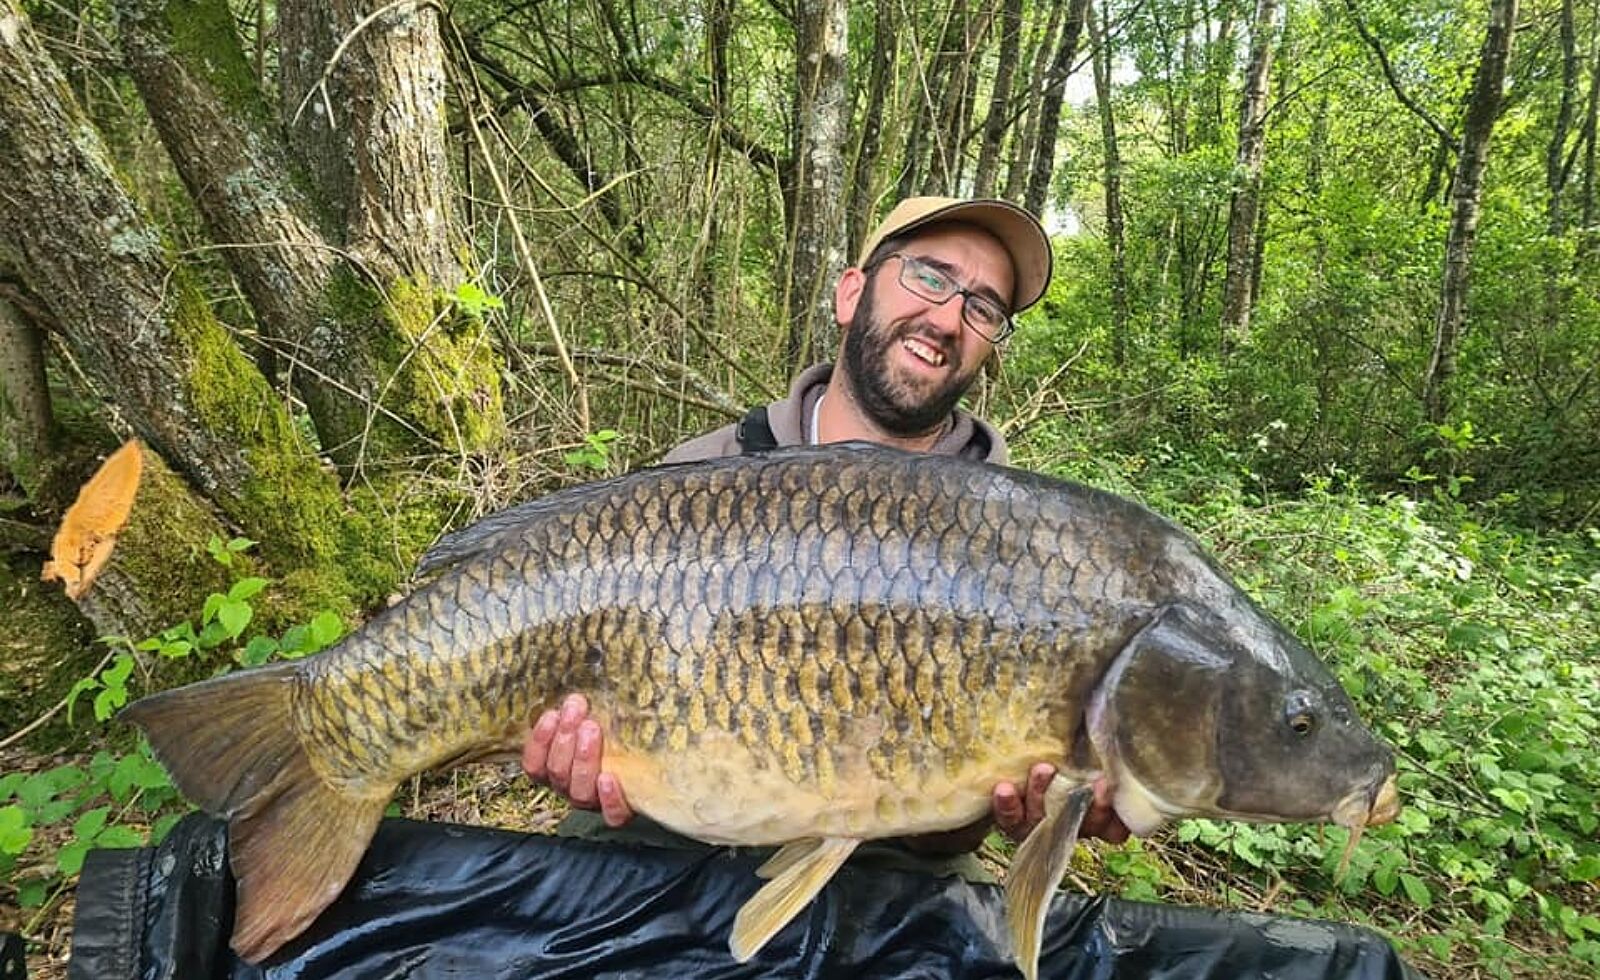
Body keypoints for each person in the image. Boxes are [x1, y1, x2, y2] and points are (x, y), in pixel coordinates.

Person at [524, 196, 1130, 871]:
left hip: (893, 863)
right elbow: (606, 749)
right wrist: (583, 763)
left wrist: (1017, 810)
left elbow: (950, 828)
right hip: (683, 835)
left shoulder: (1025, 546)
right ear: (850, 292)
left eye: (984, 307)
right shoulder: (700, 475)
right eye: (930, 276)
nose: (949, 317)